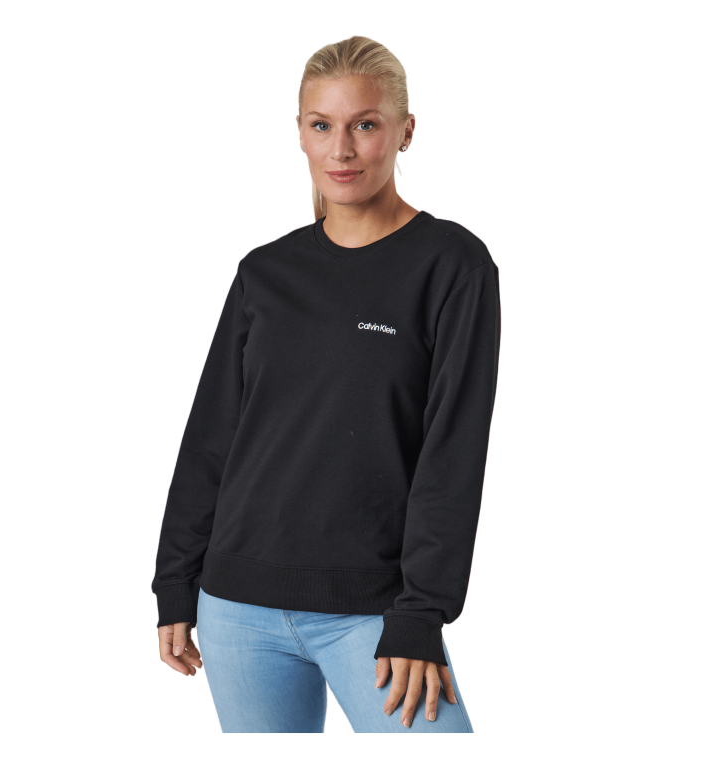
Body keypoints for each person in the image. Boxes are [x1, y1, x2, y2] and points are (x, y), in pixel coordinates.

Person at [153, 34, 500, 736]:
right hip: (238, 609)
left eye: (365, 124)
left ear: (406, 131)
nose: (341, 149)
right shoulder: (263, 273)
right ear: (300, 133)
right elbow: (211, 440)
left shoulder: (452, 266)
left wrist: (421, 613)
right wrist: (173, 583)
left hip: (375, 611)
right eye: (321, 125)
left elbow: (452, 455)